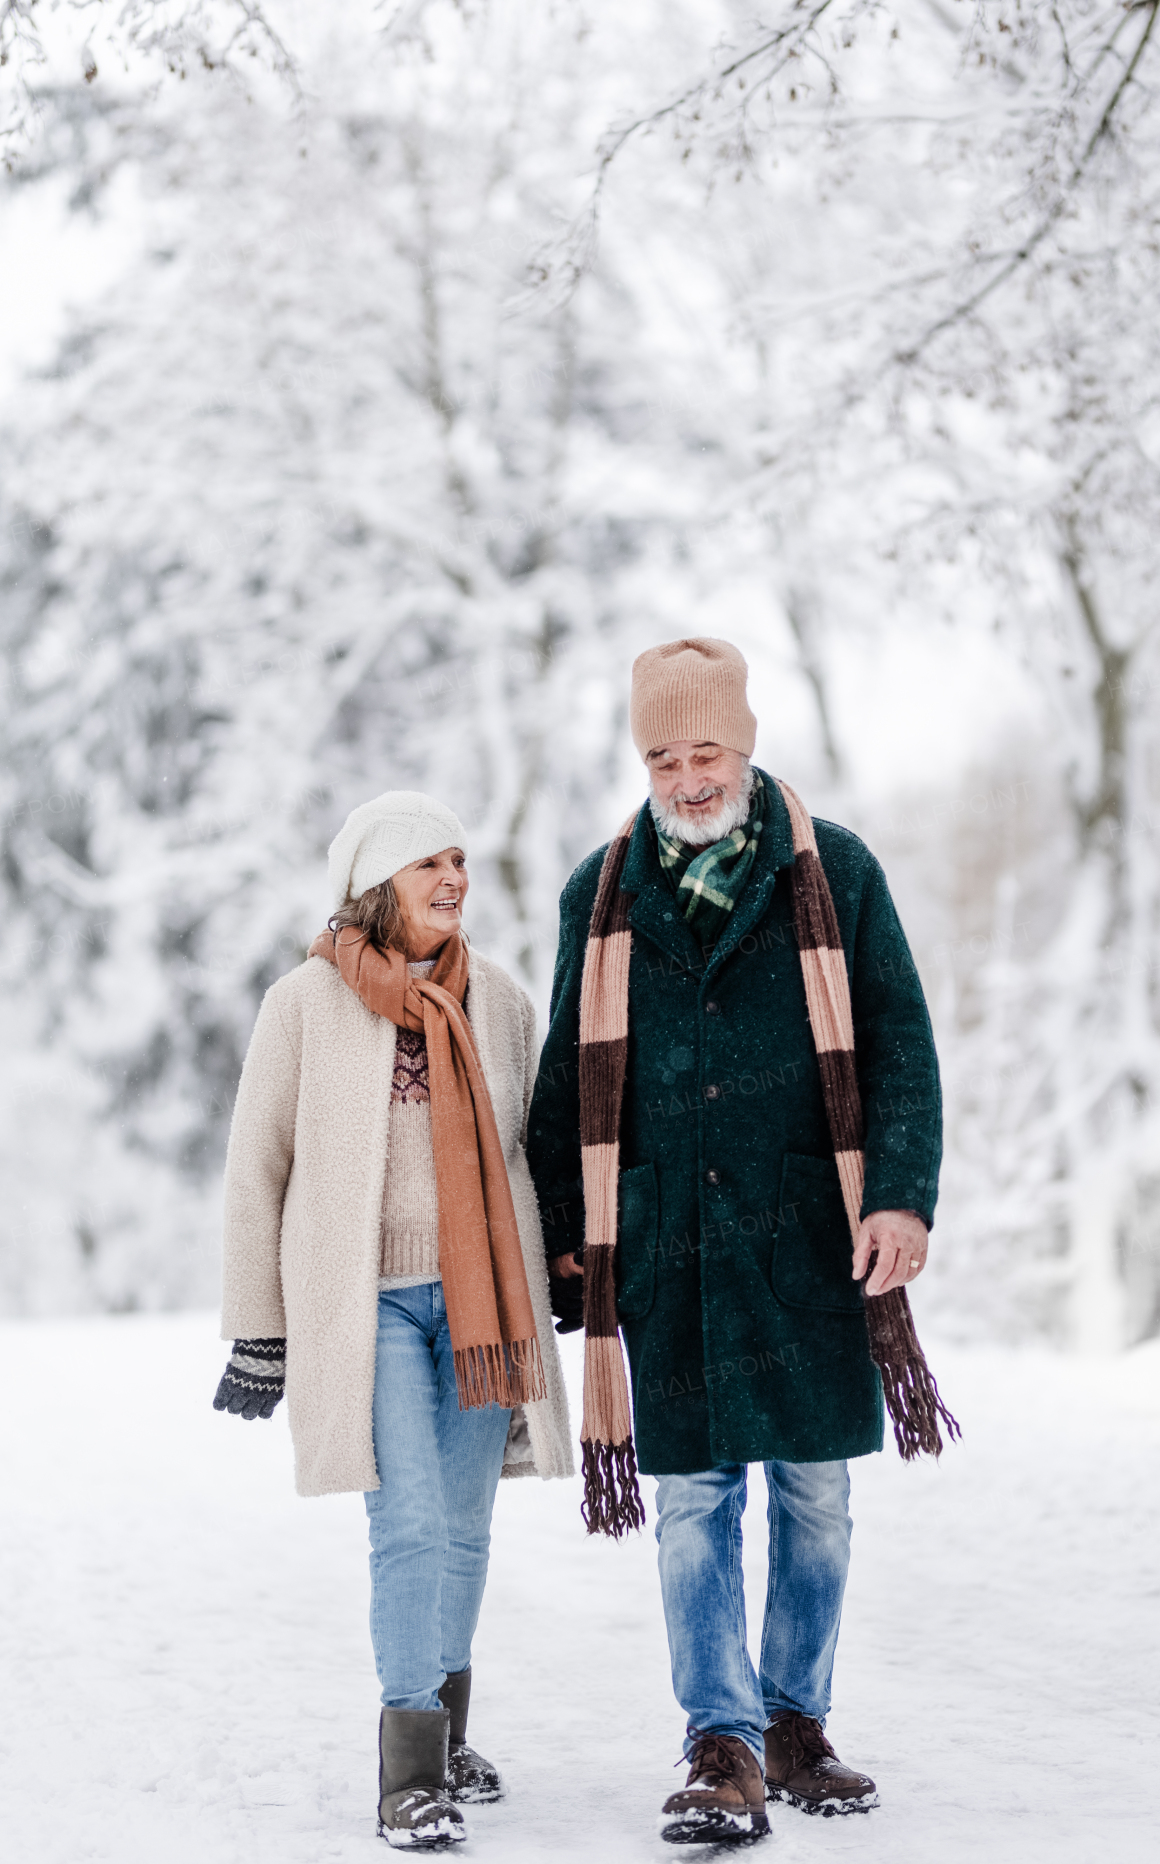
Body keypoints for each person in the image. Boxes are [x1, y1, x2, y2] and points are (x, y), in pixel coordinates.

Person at [528, 638, 955, 1845]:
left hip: (808, 1242)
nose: (686, 774)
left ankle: (792, 1726)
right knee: (691, 1504)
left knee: (812, 1496)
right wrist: (567, 1233)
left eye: (704, 748)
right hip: (666, 1248)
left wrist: (901, 1197)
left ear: (745, 743)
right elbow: (566, 1072)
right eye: (662, 753)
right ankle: (718, 1742)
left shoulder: (837, 873)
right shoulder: (596, 894)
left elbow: (899, 1045)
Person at [215, 789, 572, 1850]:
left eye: (460, 860)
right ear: (376, 883)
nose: (455, 879)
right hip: (360, 1304)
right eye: (431, 864)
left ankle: (446, 1737)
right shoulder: (303, 1005)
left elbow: (530, 1154)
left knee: (464, 1530)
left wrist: (573, 1271)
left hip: (479, 1305)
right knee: (409, 1525)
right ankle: (407, 1771)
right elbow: (255, 1171)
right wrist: (257, 1327)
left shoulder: (498, 1001)